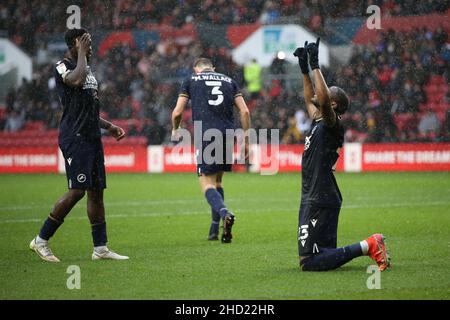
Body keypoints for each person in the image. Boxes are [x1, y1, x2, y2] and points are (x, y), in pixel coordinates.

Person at [29, 28, 129, 262]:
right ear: (73, 44)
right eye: (85, 42)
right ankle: (41, 240)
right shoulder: (63, 66)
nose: (90, 46)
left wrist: (110, 126)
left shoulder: (88, 70)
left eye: (90, 42)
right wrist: (82, 54)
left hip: (92, 136)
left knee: (96, 193)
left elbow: (88, 109)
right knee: (77, 191)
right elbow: (76, 80)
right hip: (75, 137)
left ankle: (100, 248)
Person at [293, 38, 390, 271]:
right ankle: (367, 246)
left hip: (320, 194)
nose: (318, 92)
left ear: (333, 104)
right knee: (319, 257)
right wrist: (304, 69)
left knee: (309, 261)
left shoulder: (332, 123)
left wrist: (315, 64)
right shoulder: (318, 120)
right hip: (316, 193)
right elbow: (310, 98)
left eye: (325, 92)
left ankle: (369, 245)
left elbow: (321, 99)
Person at [171, 58, 251, 243]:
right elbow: (245, 112)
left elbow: (177, 113)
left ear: (196, 69)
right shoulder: (229, 81)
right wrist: (246, 140)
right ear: (213, 68)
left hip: (206, 134)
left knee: (206, 183)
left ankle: (225, 213)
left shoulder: (191, 80)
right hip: (227, 134)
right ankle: (214, 230)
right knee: (218, 182)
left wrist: (175, 129)